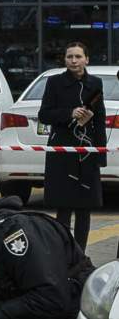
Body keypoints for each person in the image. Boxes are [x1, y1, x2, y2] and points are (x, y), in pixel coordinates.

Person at [38, 41, 105, 251]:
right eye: (69, 57)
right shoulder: (54, 83)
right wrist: (69, 113)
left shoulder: (95, 83)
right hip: (62, 152)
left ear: (87, 59)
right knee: (64, 208)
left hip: (87, 152)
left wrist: (100, 154)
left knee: (85, 208)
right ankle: (63, 253)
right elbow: (44, 114)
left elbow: (100, 119)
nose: (74, 61)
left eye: (78, 56)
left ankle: (81, 255)